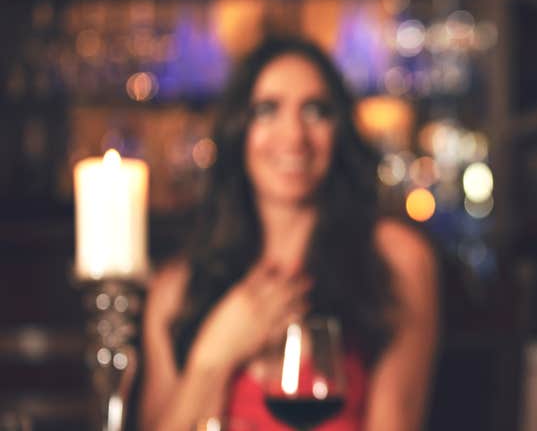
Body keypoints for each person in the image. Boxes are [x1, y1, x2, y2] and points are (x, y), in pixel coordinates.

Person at [139, 36, 440, 431]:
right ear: (237, 131)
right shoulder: (176, 289)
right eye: (267, 111)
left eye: (315, 111)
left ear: (339, 131)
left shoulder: (395, 259)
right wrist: (212, 358)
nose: (294, 137)